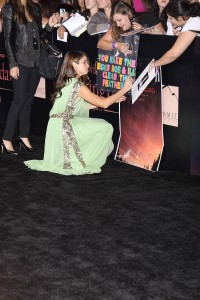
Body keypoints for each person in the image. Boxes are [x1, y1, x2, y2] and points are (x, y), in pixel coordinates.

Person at [24, 50, 133, 175]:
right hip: (65, 126)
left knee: (102, 126)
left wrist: (113, 99)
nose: (88, 65)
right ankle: (83, 160)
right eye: (84, 62)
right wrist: (124, 89)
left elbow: (84, 106)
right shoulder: (78, 86)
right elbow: (103, 104)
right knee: (105, 127)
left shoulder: (68, 81)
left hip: (57, 126)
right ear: (74, 65)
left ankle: (79, 158)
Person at [0, 0, 59, 155]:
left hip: (35, 61)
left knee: (28, 100)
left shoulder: (35, 8)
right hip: (19, 60)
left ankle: (23, 136)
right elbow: (7, 38)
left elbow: (40, 35)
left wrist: (50, 25)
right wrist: (12, 63)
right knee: (19, 100)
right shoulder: (9, 8)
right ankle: (6, 139)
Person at [97, 1, 165, 55]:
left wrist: (144, 31)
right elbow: (100, 43)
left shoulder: (148, 17)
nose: (117, 24)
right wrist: (117, 45)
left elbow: (163, 36)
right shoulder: (116, 27)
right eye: (115, 21)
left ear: (129, 14)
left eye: (119, 20)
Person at [149, 0, 200, 70]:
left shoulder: (193, 22)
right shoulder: (190, 21)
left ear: (180, 18)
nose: (169, 21)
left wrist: (155, 64)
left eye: (171, 18)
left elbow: (173, 54)